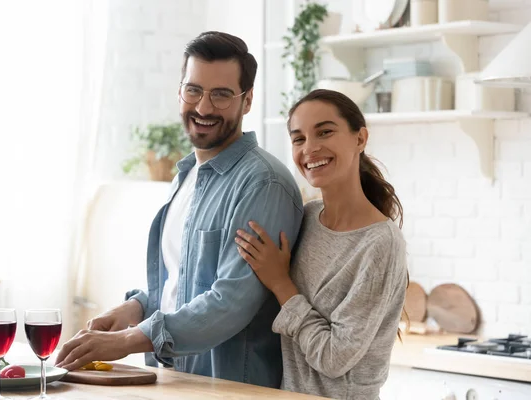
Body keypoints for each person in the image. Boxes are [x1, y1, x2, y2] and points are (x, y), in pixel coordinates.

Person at [55, 31, 304, 388]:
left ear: (247, 101)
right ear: (180, 92)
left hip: (230, 390)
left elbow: (230, 302)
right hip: (174, 381)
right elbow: (180, 281)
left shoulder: (263, 184)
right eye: (194, 90)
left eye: (221, 95)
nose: (203, 108)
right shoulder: (187, 174)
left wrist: (126, 341)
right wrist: (135, 308)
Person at [235, 89, 408, 399]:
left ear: (360, 138)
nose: (310, 148)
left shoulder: (380, 243)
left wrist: (280, 282)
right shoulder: (307, 217)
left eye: (324, 132)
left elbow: (333, 359)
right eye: (298, 139)